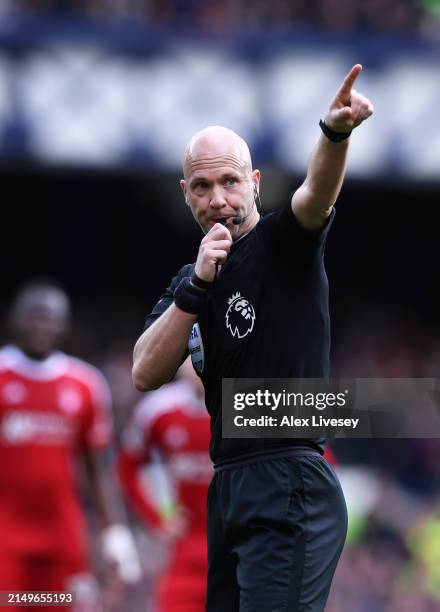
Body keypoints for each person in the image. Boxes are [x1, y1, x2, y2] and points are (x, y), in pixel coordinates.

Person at [132, 64, 374, 611]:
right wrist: (194, 288)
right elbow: (145, 372)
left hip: (289, 478)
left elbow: (315, 196)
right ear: (185, 195)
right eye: (202, 186)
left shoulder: (281, 244)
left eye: (230, 182)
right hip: (231, 486)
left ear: (256, 183)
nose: (217, 198)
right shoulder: (194, 277)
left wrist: (335, 134)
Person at [0, 281, 141, 611]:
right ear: (14, 320)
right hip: (5, 537)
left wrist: (115, 533)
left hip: (62, 537)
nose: (41, 325)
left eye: (50, 318)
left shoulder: (84, 384)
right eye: (33, 316)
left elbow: (97, 467)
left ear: (64, 325)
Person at [118, 357, 212, 611]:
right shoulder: (157, 409)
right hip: (183, 550)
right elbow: (126, 468)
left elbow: (321, 459)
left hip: (244, 548)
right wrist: (156, 518)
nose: (197, 365)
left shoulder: (258, 400)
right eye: (191, 357)